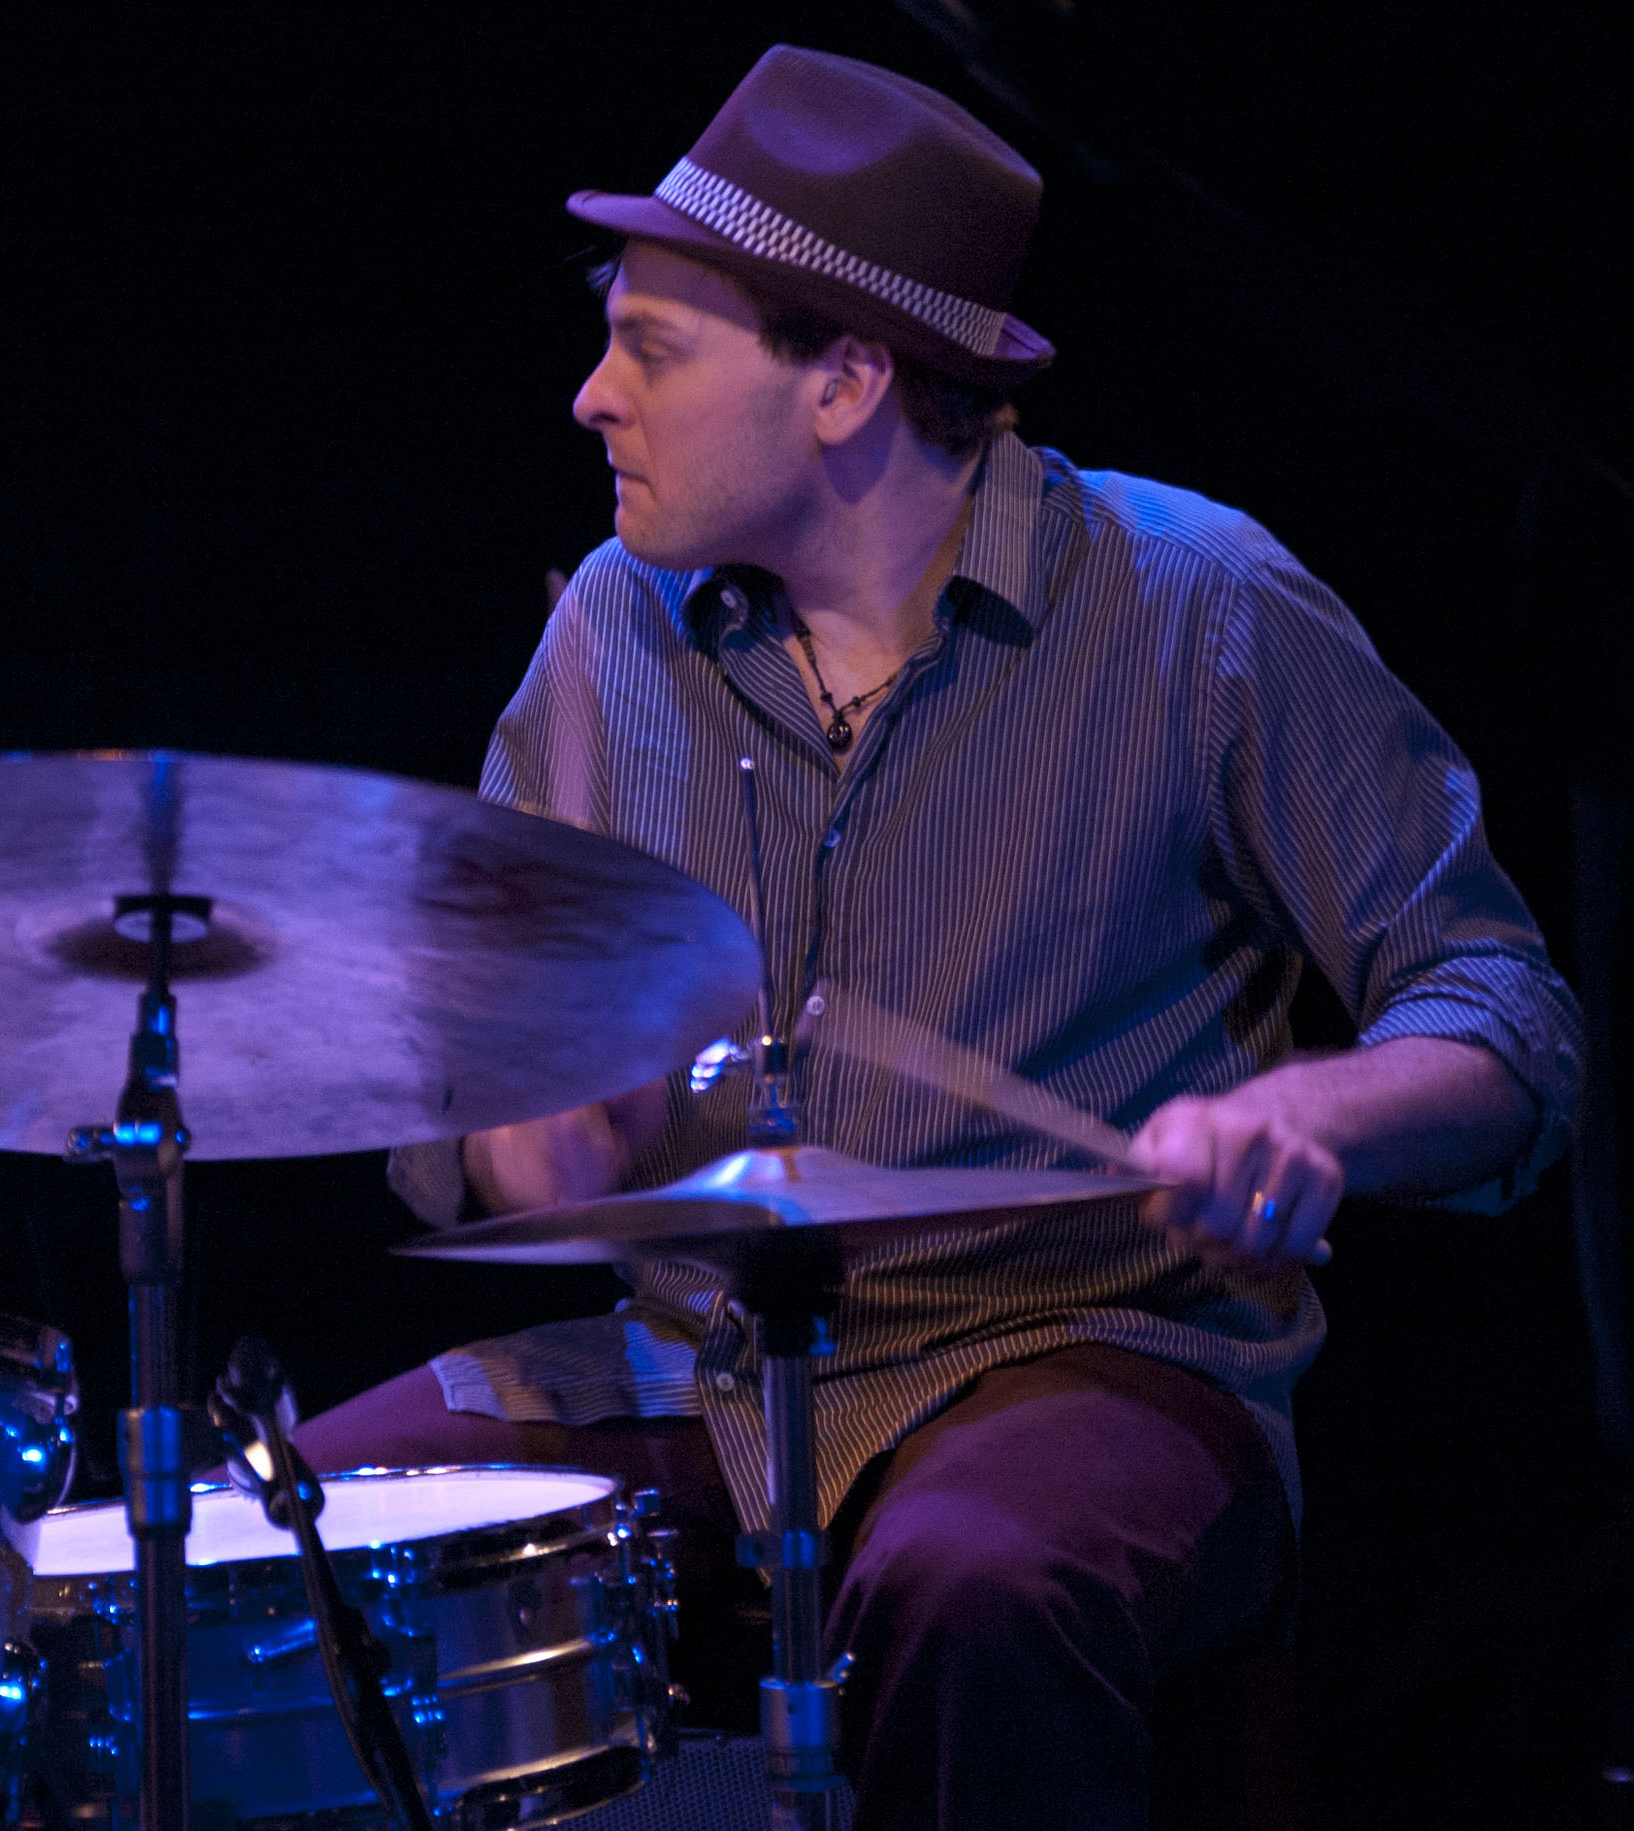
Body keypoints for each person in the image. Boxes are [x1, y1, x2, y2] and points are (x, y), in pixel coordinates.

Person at [291, 45, 1582, 1830]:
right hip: (699, 1370)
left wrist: (1315, 1121)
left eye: (650, 348)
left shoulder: (1196, 607)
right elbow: (481, 1108)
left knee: (970, 1581)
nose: (592, 397)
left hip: (1084, 1352)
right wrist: (529, 1130)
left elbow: (1504, 1007)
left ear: (846, 380)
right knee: (279, 1546)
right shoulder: (610, 635)